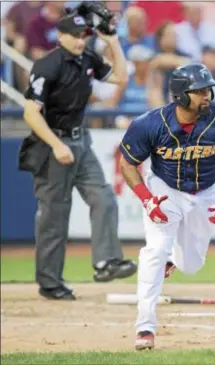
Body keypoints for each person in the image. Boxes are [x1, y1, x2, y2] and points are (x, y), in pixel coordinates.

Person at [118, 63, 215, 350]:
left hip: (205, 192)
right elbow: (127, 163)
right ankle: (145, 327)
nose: (207, 96)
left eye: (208, 90)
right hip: (163, 188)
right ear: (181, 95)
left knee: (192, 265)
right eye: (200, 91)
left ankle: (174, 261)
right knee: (155, 249)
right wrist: (146, 198)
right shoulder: (149, 123)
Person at [19, 9, 136, 301]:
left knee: (104, 196)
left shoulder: (88, 59)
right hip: (52, 142)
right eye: (74, 35)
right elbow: (31, 113)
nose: (80, 41)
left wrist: (113, 42)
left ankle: (106, 261)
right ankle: (50, 282)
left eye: (84, 35)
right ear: (60, 36)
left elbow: (120, 77)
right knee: (54, 215)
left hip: (80, 140)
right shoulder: (47, 65)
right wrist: (56, 146)